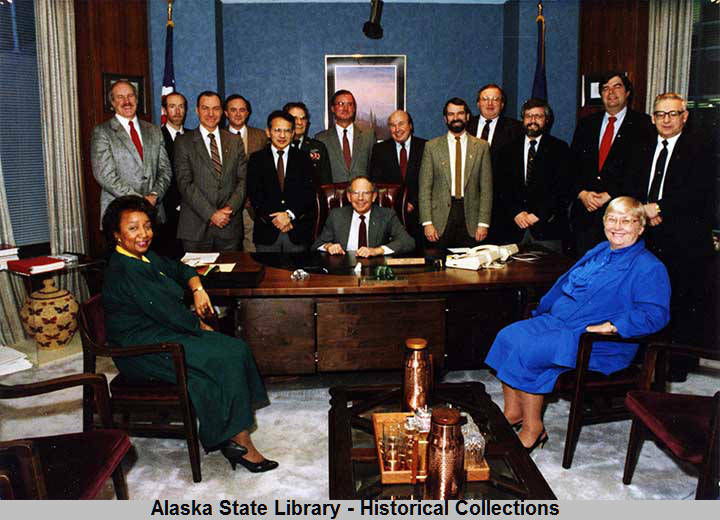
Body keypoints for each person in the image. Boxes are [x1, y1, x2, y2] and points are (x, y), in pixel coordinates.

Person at [101, 195, 277, 472]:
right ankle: (241, 441)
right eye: (133, 228)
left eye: (147, 226)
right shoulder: (125, 269)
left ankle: (235, 433)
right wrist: (200, 327)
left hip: (162, 333)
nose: (143, 234)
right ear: (116, 235)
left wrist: (197, 288)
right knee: (227, 353)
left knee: (232, 350)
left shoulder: (144, 256)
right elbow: (168, 312)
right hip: (141, 350)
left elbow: (180, 268)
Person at [485, 196, 670, 451]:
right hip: (561, 322)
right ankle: (514, 411)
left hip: (597, 340)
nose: (617, 227)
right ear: (604, 222)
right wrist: (543, 311)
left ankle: (533, 428)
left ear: (640, 227)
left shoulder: (649, 266)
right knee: (508, 336)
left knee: (530, 350)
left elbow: (655, 314)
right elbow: (564, 283)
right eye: (612, 219)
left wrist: (614, 326)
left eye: (626, 221)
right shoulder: (600, 250)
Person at [624, 92, 716, 381]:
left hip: (684, 239)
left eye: (673, 114)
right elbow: (630, 184)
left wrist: (659, 208)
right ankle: (645, 360)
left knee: (679, 301)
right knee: (647, 298)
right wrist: (645, 210)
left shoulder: (702, 147)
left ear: (684, 117)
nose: (666, 119)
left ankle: (675, 367)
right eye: (660, 114)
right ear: (653, 118)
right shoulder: (641, 146)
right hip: (647, 236)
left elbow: (701, 191)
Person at [570, 72, 655, 256]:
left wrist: (609, 194)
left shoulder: (643, 125)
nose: (611, 92)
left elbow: (641, 171)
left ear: (627, 92)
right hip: (586, 215)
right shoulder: (586, 124)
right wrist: (582, 193)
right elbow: (571, 166)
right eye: (606, 88)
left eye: (617, 86)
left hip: (622, 216)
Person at [493, 98, 572, 250]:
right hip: (512, 228)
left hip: (547, 228)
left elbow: (562, 188)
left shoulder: (559, 148)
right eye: (529, 116)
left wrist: (538, 214)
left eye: (538, 116)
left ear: (546, 120)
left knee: (549, 273)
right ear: (523, 120)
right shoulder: (507, 150)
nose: (533, 120)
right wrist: (516, 213)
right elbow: (501, 187)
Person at [91, 80, 172, 225]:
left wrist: (154, 195)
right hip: (120, 215)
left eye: (130, 96)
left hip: (154, 214)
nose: (126, 101)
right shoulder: (102, 132)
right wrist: (140, 201)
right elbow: (105, 176)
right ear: (112, 102)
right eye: (120, 97)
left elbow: (165, 170)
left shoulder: (154, 130)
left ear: (137, 99)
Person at [174, 91, 247, 252]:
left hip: (229, 227)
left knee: (231, 276)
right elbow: (184, 183)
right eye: (205, 108)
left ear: (222, 111)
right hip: (195, 227)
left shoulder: (235, 141)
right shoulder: (183, 141)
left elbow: (243, 180)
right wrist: (211, 214)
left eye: (215, 108)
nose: (211, 114)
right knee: (196, 277)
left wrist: (229, 210)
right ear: (197, 110)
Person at [419, 97, 492, 249]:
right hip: (440, 219)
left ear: (467, 116)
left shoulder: (482, 147)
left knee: (470, 268)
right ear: (445, 119)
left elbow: (486, 189)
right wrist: (427, 223)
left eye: (460, 113)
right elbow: (425, 188)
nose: (456, 118)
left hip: (471, 219)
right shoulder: (431, 147)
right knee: (439, 268)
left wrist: (483, 223)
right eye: (451, 114)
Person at [247, 111, 316, 252]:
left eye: (287, 131)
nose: (282, 135)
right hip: (267, 231)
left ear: (293, 134)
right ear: (268, 132)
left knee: (297, 272)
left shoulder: (304, 159)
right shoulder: (256, 159)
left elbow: (308, 194)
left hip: (297, 231)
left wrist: (289, 215)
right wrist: (276, 219)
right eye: (277, 130)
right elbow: (254, 195)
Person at [312, 176, 415, 257]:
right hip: (343, 270)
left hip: (374, 270)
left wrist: (377, 251)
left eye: (366, 193)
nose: (360, 198)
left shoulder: (387, 215)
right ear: (349, 196)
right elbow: (317, 245)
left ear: (374, 196)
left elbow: (408, 242)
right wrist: (329, 246)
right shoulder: (336, 216)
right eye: (356, 193)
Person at [369, 110, 427, 237]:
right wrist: (397, 204)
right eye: (392, 125)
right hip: (390, 214)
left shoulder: (426, 147)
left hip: (420, 214)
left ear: (410, 126)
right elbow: (376, 183)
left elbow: (429, 181)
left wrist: (412, 202)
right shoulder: (379, 150)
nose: (397, 129)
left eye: (401, 124)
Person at [224, 94, 268, 253]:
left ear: (248, 113)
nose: (237, 113)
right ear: (226, 113)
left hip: (253, 204)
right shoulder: (218, 137)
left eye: (242, 110)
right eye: (233, 110)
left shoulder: (261, 136)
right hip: (226, 204)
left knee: (252, 248)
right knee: (230, 250)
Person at [314, 90, 374, 182]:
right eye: (341, 104)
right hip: (333, 193)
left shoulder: (368, 136)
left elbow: (373, 169)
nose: (346, 108)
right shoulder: (321, 138)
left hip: (361, 194)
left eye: (350, 104)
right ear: (332, 108)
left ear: (354, 109)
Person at [156, 91, 189, 258]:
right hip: (167, 211)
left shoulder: (193, 136)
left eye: (181, 106)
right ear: (164, 110)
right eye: (172, 106)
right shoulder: (155, 137)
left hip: (194, 210)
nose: (177, 111)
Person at [283, 101, 332, 185]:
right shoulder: (277, 147)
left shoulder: (318, 147)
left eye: (303, 118)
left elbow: (326, 184)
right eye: (294, 118)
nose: (299, 122)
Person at [467, 83, 524, 154]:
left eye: (495, 100)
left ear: (502, 105)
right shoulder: (466, 125)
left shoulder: (515, 128)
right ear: (478, 104)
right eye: (485, 99)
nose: (490, 103)